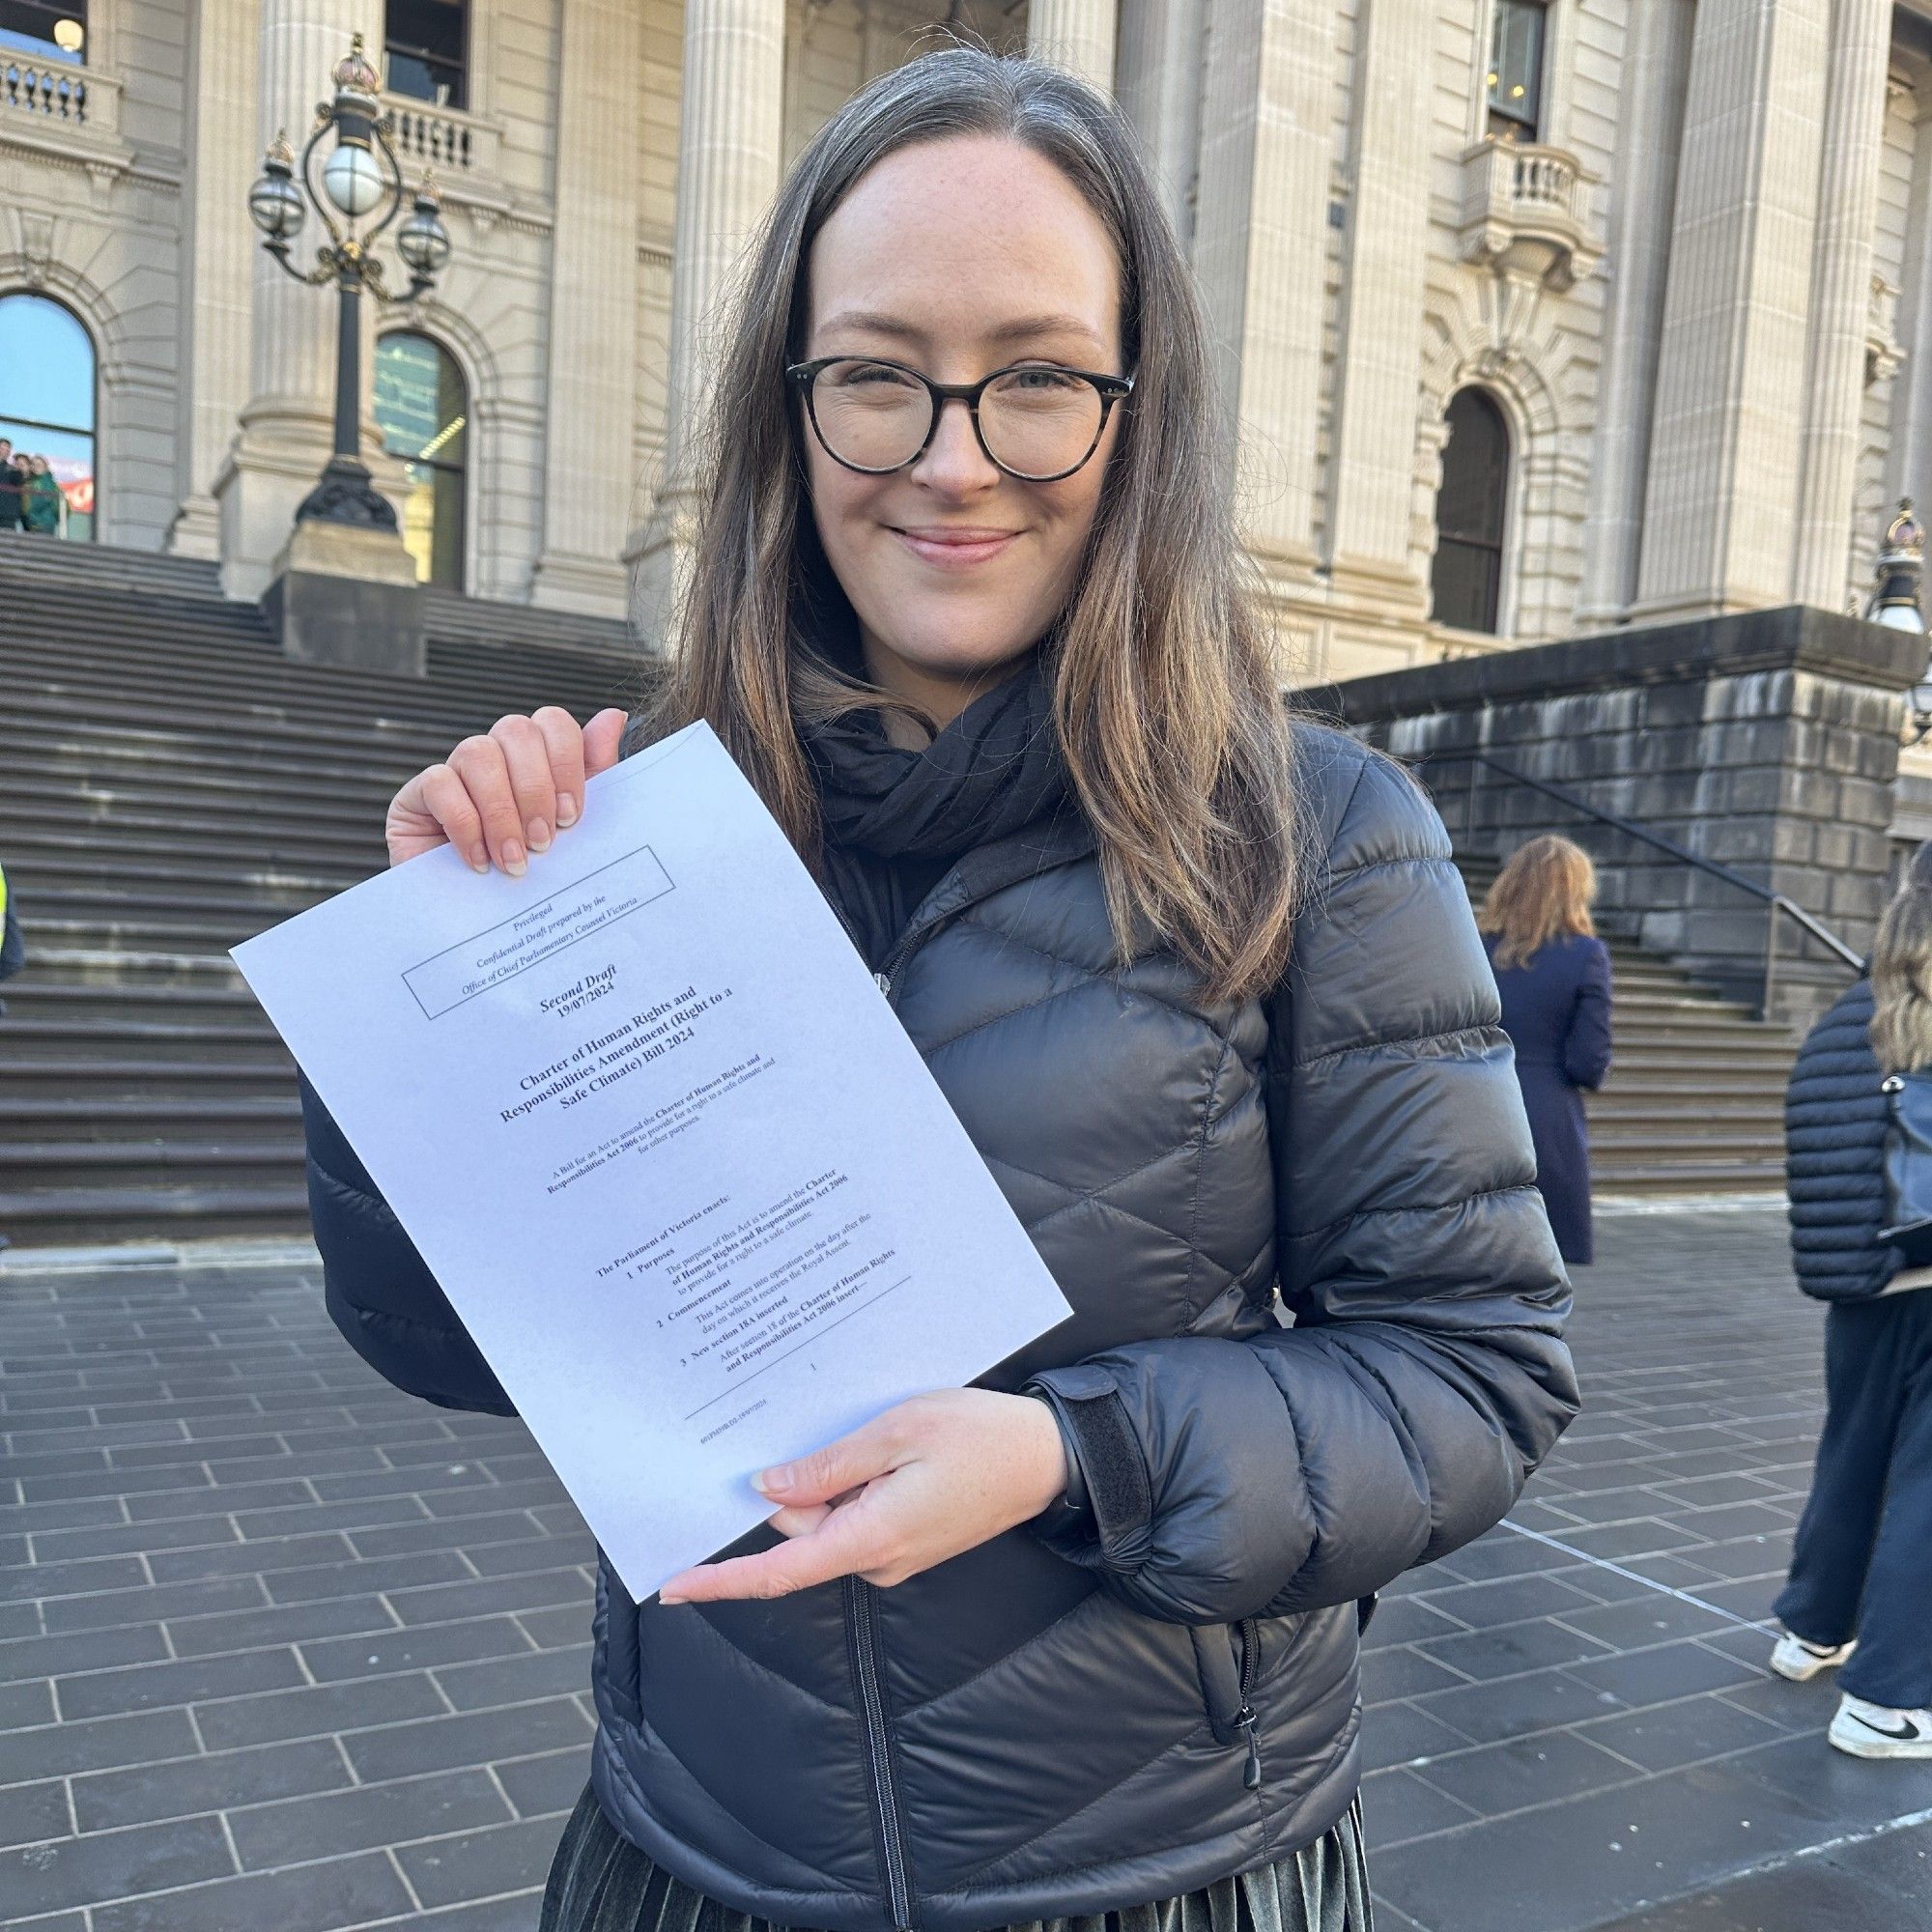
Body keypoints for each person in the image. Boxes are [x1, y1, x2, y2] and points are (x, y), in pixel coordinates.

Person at [301, 49, 1577, 1932]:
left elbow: (1476, 1372)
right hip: (700, 1858)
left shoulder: (1319, 839)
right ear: (793, 409)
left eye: (1037, 377)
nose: (953, 456)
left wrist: (1083, 1451)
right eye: (880, 375)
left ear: (1134, 415)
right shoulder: (642, 839)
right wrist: (430, 999)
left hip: (1150, 1873)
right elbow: (440, 1346)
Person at [1771, 844, 1932, 1760]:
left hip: (1862, 1283)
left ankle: (1811, 1632)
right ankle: (1888, 1700)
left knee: (1853, 1456)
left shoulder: (1848, 1014)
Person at [1477, 836, 1613, 1266]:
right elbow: (1587, 1062)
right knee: (1539, 1261)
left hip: (1471, 1105)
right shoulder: (1586, 956)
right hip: (1546, 1115)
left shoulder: (1474, 948)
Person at [20, 456, 61, 535]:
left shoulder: (47, 482)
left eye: (39, 465)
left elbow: (42, 501)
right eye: (33, 465)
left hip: (43, 523)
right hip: (33, 523)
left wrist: (30, 516)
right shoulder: (32, 482)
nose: (35, 467)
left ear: (45, 467)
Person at [0, 440, 22, 530]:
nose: (4, 451)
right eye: (2, 448)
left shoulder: (13, 471)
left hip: (7, 515)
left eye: (7, 449)